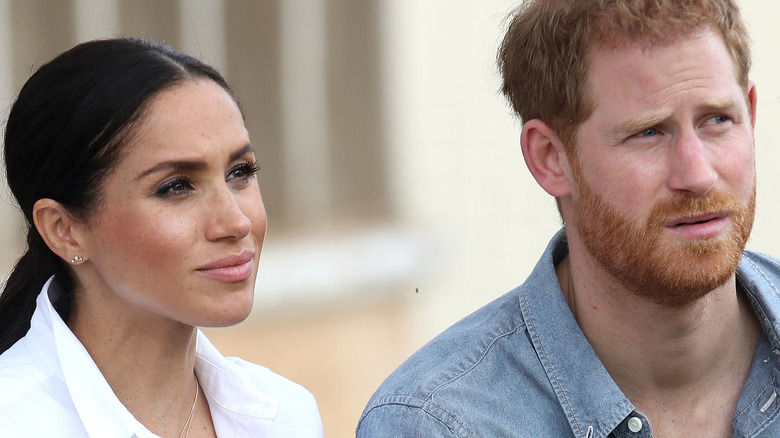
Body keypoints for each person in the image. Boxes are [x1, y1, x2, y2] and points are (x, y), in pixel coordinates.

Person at [357, 0, 780, 436]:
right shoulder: (440, 424)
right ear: (551, 158)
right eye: (648, 132)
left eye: (717, 120)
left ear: (750, 112)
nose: (698, 174)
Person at [0, 38, 323, 437]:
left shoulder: (285, 416)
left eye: (240, 172)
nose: (236, 223)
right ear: (63, 230)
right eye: (175, 186)